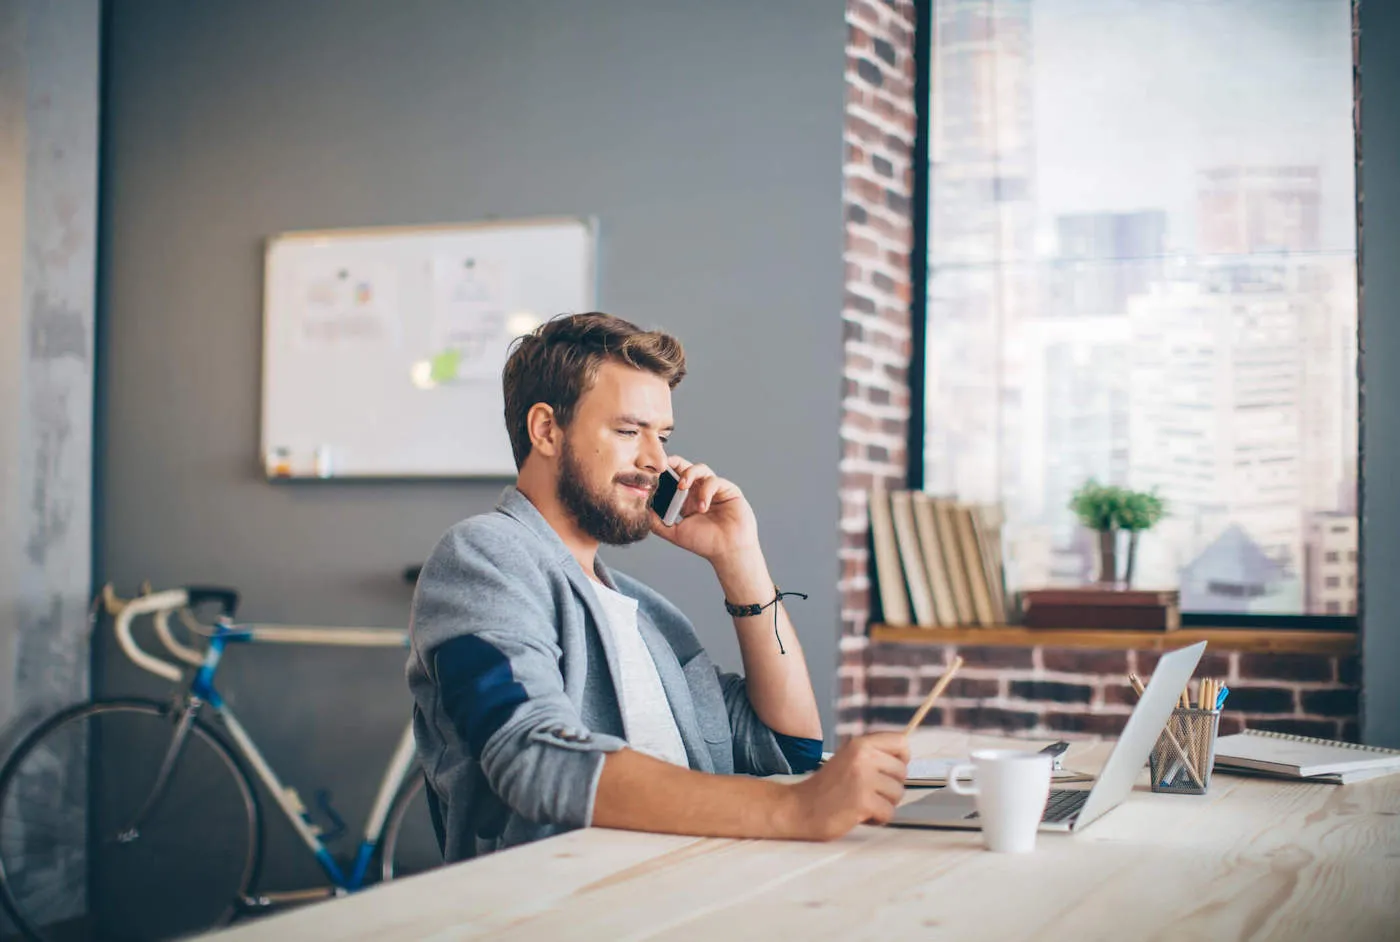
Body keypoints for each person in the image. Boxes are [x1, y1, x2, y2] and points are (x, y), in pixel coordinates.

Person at [407, 312, 908, 861]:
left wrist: (740, 559)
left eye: (662, 436)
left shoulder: (650, 616)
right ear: (546, 430)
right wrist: (795, 811)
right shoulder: (482, 558)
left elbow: (787, 749)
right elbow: (534, 758)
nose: (655, 460)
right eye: (628, 431)